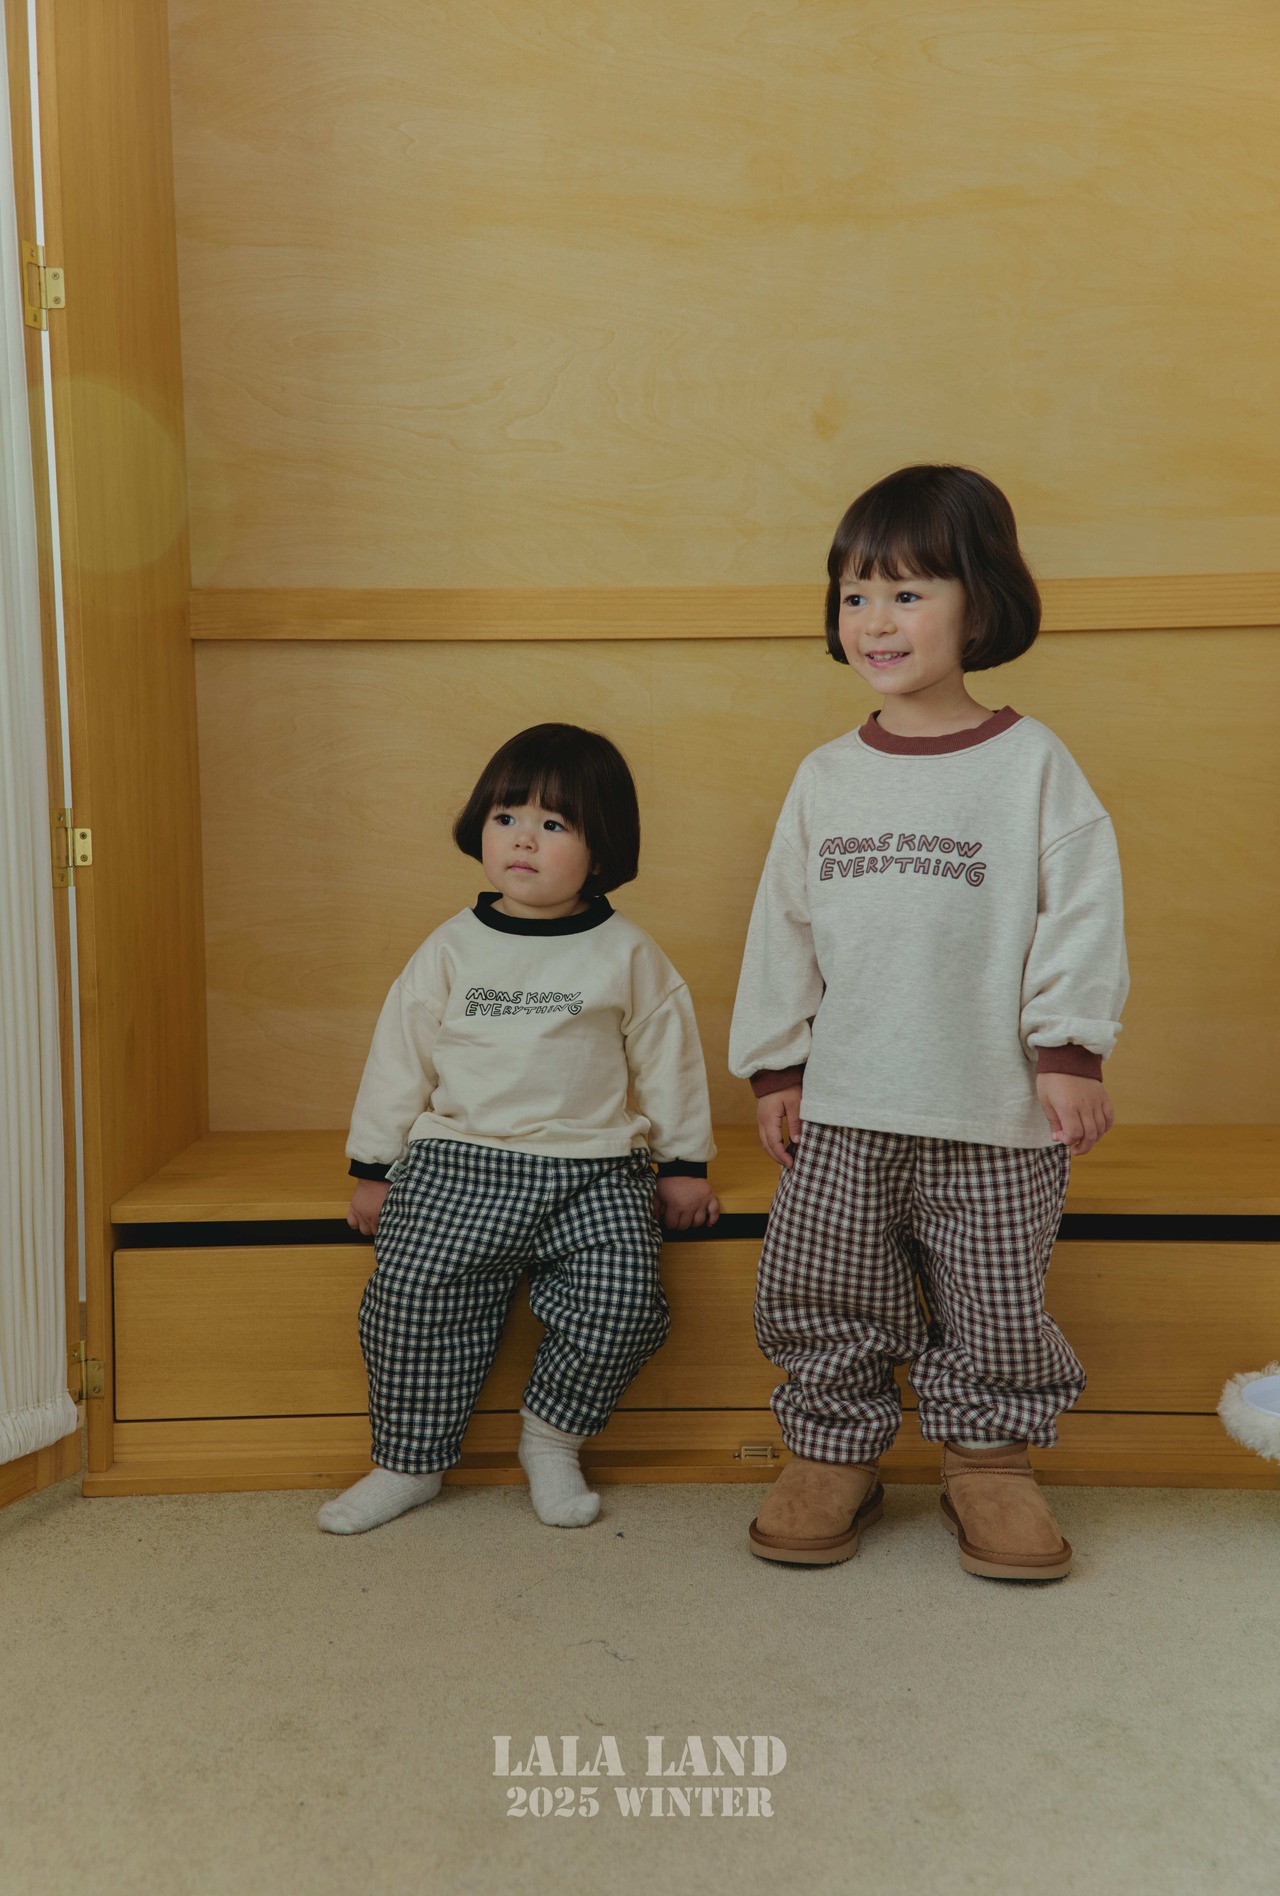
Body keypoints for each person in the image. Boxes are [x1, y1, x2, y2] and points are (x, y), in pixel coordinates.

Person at [729, 465, 1128, 1580]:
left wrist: (1068, 1049)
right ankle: (831, 1451)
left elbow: (1081, 912)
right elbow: (782, 930)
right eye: (855, 595)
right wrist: (775, 1069)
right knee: (826, 1285)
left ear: (979, 602)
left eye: (907, 593)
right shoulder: (825, 777)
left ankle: (988, 1461)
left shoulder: (1031, 766)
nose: (876, 621)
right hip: (846, 1103)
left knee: (994, 1302)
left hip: (993, 1110)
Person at [318, 722, 718, 1536]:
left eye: (553, 823)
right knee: (409, 1300)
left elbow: (670, 1059)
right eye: (506, 818)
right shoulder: (450, 948)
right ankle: (409, 1462)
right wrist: (375, 1168)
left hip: (593, 1169)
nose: (523, 839)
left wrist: (683, 1164)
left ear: (601, 850)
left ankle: (552, 1439)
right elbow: (399, 1058)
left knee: (624, 1304)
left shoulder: (626, 952)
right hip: (460, 1162)